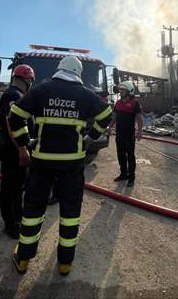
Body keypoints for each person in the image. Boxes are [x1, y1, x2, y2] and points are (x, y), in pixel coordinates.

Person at [7, 56, 112, 276]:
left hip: (42, 162)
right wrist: (89, 137)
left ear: (59, 69)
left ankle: (24, 258)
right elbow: (107, 114)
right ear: (78, 73)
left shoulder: (42, 90)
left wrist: (26, 143)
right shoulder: (85, 94)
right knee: (70, 212)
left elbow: (15, 116)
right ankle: (65, 263)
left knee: (34, 210)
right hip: (73, 164)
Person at [0, 64, 36, 239]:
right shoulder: (13, 95)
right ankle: (10, 224)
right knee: (10, 187)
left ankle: (18, 217)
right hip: (12, 148)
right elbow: (12, 125)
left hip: (16, 147)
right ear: (26, 80)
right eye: (30, 81)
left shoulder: (17, 95)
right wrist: (22, 149)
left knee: (19, 184)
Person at [107, 81, 143, 187]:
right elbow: (115, 116)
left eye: (123, 90)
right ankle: (123, 174)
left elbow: (139, 118)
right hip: (119, 134)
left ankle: (131, 178)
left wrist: (140, 132)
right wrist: (110, 126)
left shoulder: (135, 103)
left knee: (130, 156)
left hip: (129, 135)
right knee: (120, 155)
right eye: (121, 90)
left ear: (129, 91)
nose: (121, 91)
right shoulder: (118, 103)